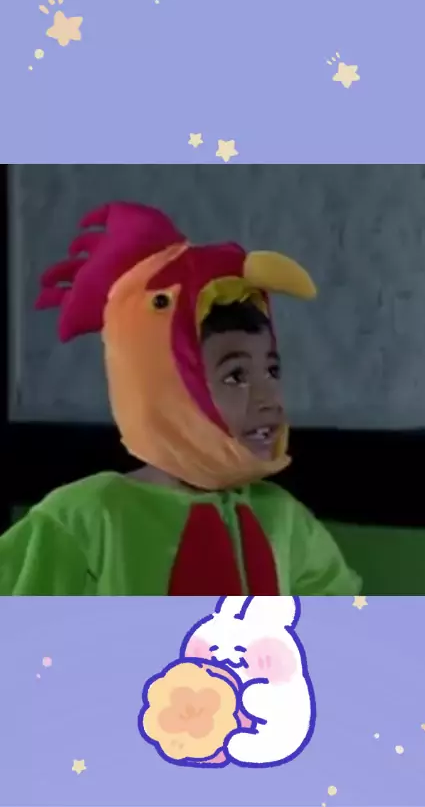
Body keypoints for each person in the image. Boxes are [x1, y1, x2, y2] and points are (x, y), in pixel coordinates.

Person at [0, 201, 361, 596]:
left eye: (272, 371)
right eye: (236, 376)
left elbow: (342, 624)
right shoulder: (84, 520)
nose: (268, 399)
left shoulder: (288, 523)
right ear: (164, 385)